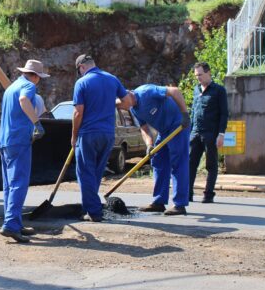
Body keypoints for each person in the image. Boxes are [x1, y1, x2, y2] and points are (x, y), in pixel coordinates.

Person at [117, 84, 191, 216]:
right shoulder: (134, 109)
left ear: (127, 95)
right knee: (158, 160)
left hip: (178, 125)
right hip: (164, 131)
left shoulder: (146, 92)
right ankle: (159, 201)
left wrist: (185, 114)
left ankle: (179, 204)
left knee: (178, 163)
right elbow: (144, 129)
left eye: (122, 104)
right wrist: (149, 145)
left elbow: (174, 91)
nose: (124, 108)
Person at [0, 60, 50, 243]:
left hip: (5, 141)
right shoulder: (28, 86)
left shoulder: (11, 87)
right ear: (35, 76)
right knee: (19, 182)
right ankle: (11, 225)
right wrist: (37, 123)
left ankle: (15, 222)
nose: (39, 81)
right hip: (19, 140)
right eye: (40, 78)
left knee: (9, 185)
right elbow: (23, 100)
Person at [71, 54, 127, 222]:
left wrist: (74, 136)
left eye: (78, 71)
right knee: (96, 172)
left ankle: (94, 211)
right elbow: (126, 103)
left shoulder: (82, 83)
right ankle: (90, 206)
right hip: (108, 134)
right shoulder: (112, 79)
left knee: (84, 172)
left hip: (88, 133)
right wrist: (110, 103)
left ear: (81, 67)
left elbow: (77, 112)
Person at [188, 62, 229, 204]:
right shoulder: (196, 89)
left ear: (208, 73)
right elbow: (193, 111)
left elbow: (224, 114)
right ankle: (188, 193)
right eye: (196, 75)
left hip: (211, 134)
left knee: (211, 165)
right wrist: (190, 131)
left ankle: (208, 194)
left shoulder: (219, 90)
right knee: (190, 164)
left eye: (200, 75)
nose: (198, 78)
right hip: (195, 133)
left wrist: (221, 134)